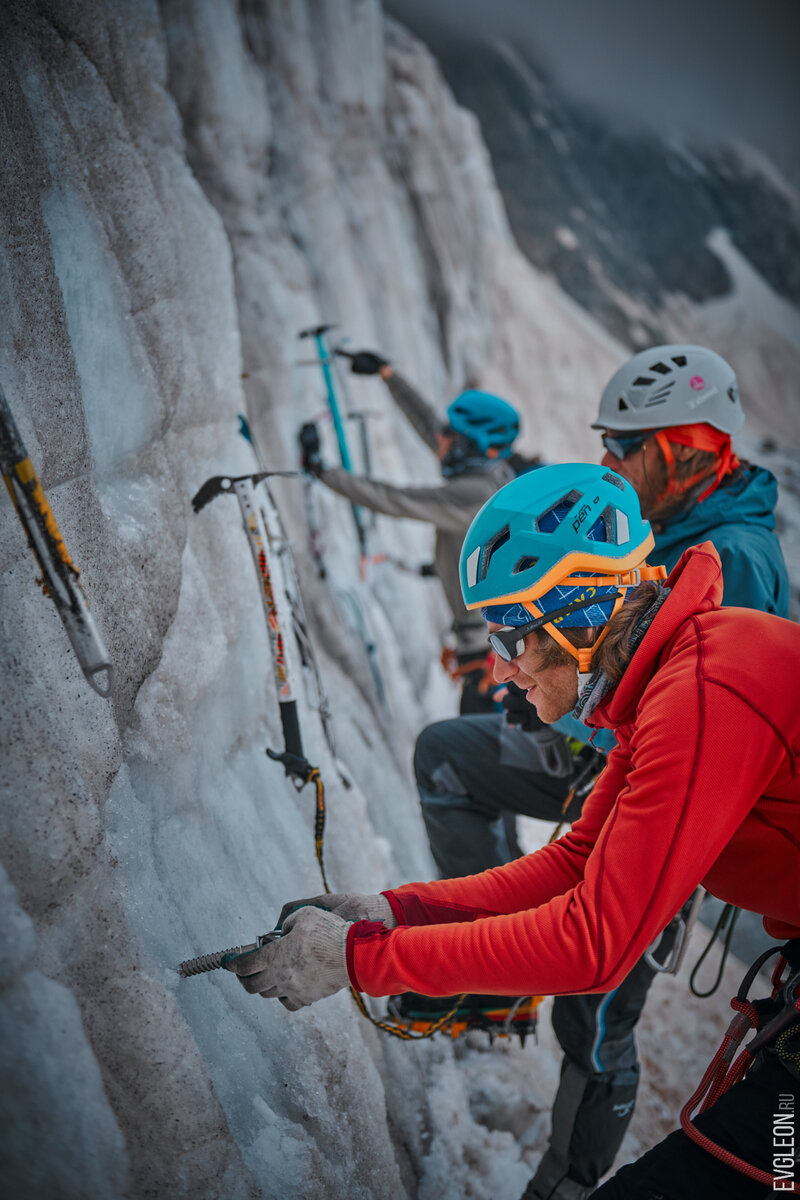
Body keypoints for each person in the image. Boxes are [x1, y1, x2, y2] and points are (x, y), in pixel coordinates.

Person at [224, 460, 800, 1199]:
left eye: (510, 638)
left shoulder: (702, 691)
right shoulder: (668, 679)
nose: (498, 673)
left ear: (579, 615)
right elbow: (576, 861)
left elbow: (592, 945)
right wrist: (395, 911)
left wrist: (362, 962)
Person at [406, 345, 791, 1197]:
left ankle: (567, 1184)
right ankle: (491, 987)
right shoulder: (667, 529)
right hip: (614, 769)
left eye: (624, 446)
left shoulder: (735, 561)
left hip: (675, 803)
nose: (607, 461)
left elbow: (696, 731)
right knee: (451, 755)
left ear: (681, 448)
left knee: (598, 1001)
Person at [299, 348, 525, 712]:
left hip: (489, 660)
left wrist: (322, 471)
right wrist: (389, 375)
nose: (440, 437)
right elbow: (431, 427)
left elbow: (393, 499)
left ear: (468, 444)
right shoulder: (491, 474)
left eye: (450, 434)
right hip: (492, 649)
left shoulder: (474, 496)